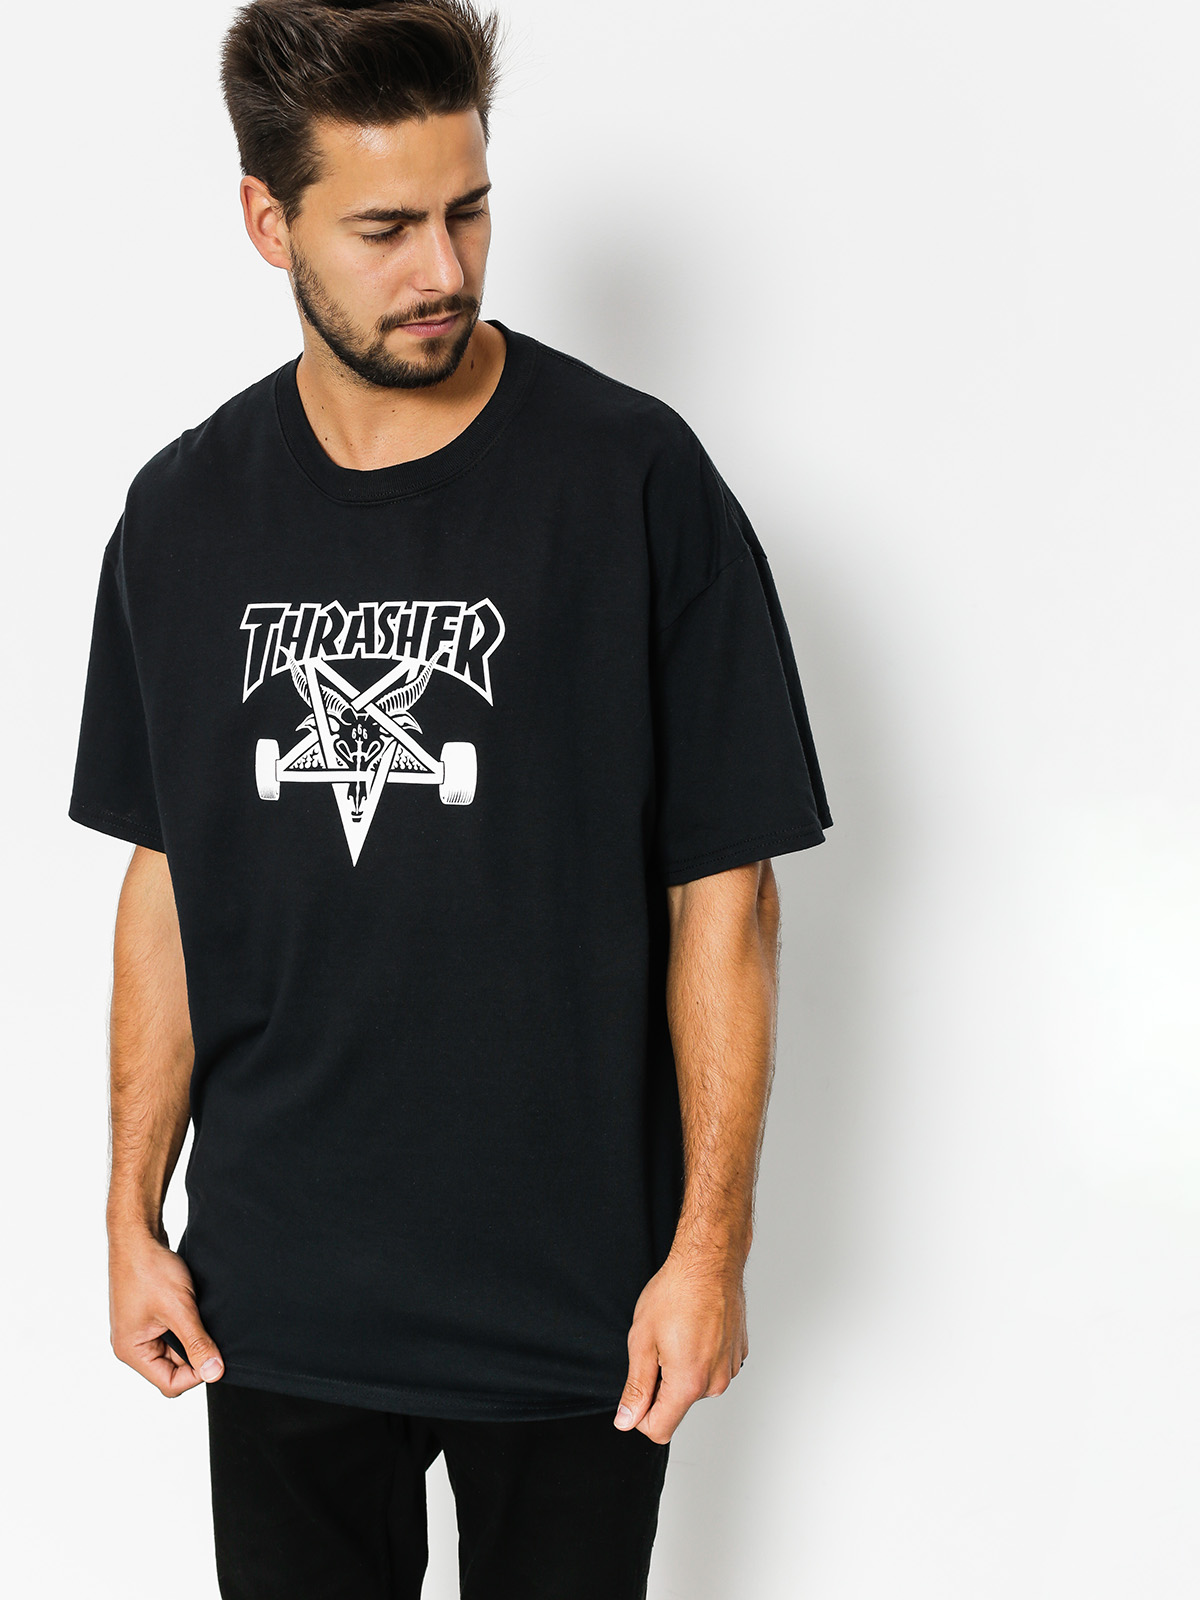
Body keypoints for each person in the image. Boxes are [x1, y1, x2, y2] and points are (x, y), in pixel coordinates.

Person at [67, 1, 833, 1594]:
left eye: (469, 211)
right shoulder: (182, 514)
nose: (445, 268)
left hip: (572, 1307)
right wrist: (131, 1216)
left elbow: (729, 893)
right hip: (276, 1302)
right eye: (386, 228)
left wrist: (709, 1250)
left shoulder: (633, 479)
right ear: (268, 220)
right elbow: (167, 881)